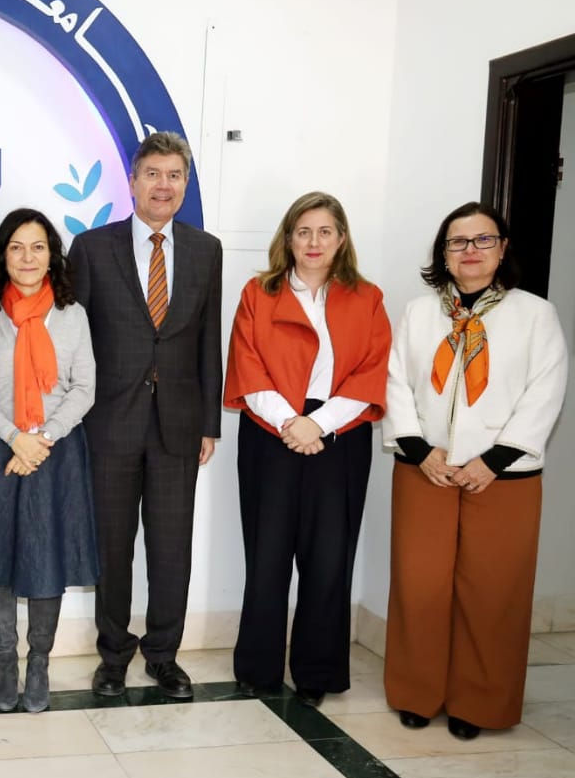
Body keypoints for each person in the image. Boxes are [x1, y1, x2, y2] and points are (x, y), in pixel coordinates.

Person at [383, 202, 567, 740]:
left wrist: (495, 459)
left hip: (503, 477)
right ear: (443, 253)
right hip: (426, 470)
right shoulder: (419, 313)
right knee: (419, 585)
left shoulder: (536, 314)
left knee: (492, 592)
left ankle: (479, 703)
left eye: (483, 240)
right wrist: (420, 450)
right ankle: (418, 693)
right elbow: (395, 382)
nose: (470, 250)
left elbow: (545, 392)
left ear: (502, 249)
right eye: (458, 241)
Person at [68, 131, 222, 700]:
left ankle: (164, 655)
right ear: (132, 181)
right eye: (152, 174)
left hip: (179, 425)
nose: (163, 185)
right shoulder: (91, 248)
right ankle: (113, 656)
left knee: (171, 547)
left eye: (174, 175)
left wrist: (210, 422)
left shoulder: (206, 250)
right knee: (112, 547)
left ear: (185, 184)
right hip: (108, 422)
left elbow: (209, 340)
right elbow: (75, 340)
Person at [222, 192, 390, 706]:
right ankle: (259, 667)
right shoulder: (259, 293)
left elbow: (372, 371)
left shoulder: (367, 298)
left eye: (324, 231)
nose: (314, 242)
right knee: (267, 555)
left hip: (339, 438)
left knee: (329, 557)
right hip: (270, 433)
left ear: (341, 239)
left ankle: (317, 671)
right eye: (303, 231)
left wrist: (318, 424)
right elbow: (247, 365)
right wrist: (291, 423)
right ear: (288, 239)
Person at [0, 209, 99, 713]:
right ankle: (7, 665)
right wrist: (15, 437)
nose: (28, 257)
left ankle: (39, 664)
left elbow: (84, 388)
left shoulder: (72, 314)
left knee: (46, 557)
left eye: (37, 247)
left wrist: (42, 439)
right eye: (16, 247)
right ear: (2, 256)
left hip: (56, 451)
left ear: (52, 255)